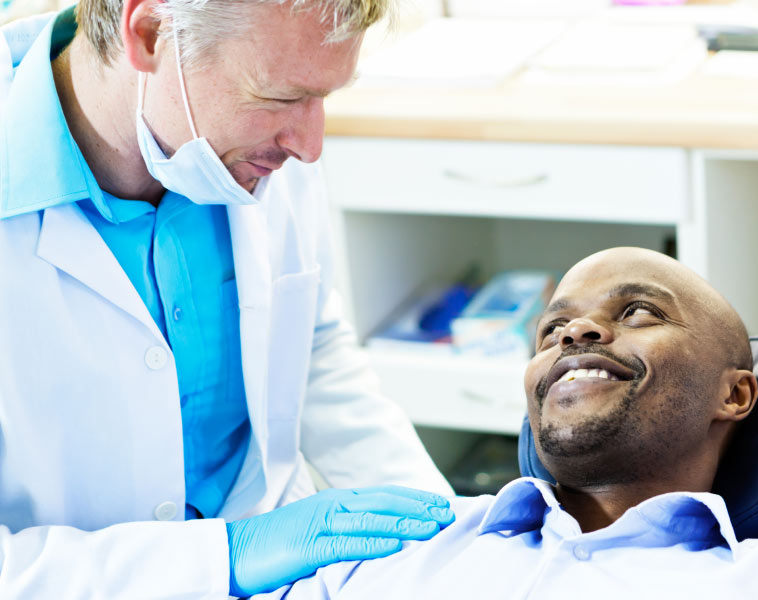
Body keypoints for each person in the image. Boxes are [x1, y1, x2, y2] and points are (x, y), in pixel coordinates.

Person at [0, 0, 455, 597]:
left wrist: (443, 535)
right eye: (281, 96)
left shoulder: (247, 148)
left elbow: (310, 346)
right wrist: (224, 559)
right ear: (151, 33)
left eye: (323, 96)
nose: (309, 144)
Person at [265, 247, 758, 599]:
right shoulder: (391, 556)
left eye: (641, 313)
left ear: (733, 395)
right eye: (551, 330)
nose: (577, 332)